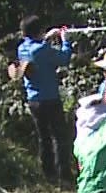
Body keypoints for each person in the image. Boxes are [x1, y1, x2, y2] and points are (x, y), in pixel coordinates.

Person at [11, 15, 72, 183]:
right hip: (50, 99)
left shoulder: (22, 48)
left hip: (33, 101)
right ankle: (64, 175)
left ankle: (49, 174)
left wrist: (47, 37)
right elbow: (64, 58)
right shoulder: (42, 50)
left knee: (43, 137)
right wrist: (65, 40)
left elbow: (36, 47)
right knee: (59, 137)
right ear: (39, 31)